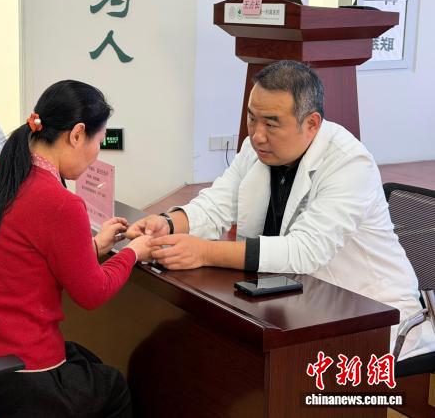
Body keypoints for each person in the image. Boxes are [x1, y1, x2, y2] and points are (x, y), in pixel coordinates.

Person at [128, 60, 435, 360]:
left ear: (311, 123)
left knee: (247, 364)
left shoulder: (349, 163)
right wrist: (168, 223)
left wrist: (205, 252)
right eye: (252, 119)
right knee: (197, 344)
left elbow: (304, 250)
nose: (257, 135)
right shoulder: (256, 149)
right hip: (292, 297)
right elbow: (217, 203)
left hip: (368, 314)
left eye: (271, 124)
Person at [0, 80, 152, 417]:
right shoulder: (61, 203)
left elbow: (22, 259)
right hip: (14, 378)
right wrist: (134, 251)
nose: (97, 153)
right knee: (112, 386)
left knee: (86, 360)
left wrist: (95, 245)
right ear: (77, 134)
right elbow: (92, 293)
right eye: (99, 142)